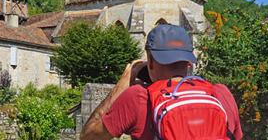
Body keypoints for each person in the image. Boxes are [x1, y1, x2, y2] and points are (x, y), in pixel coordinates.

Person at [80, 25, 243, 140]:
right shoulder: (221, 93)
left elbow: (88, 136)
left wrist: (125, 80)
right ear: (188, 62)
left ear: (150, 61)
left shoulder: (138, 97)